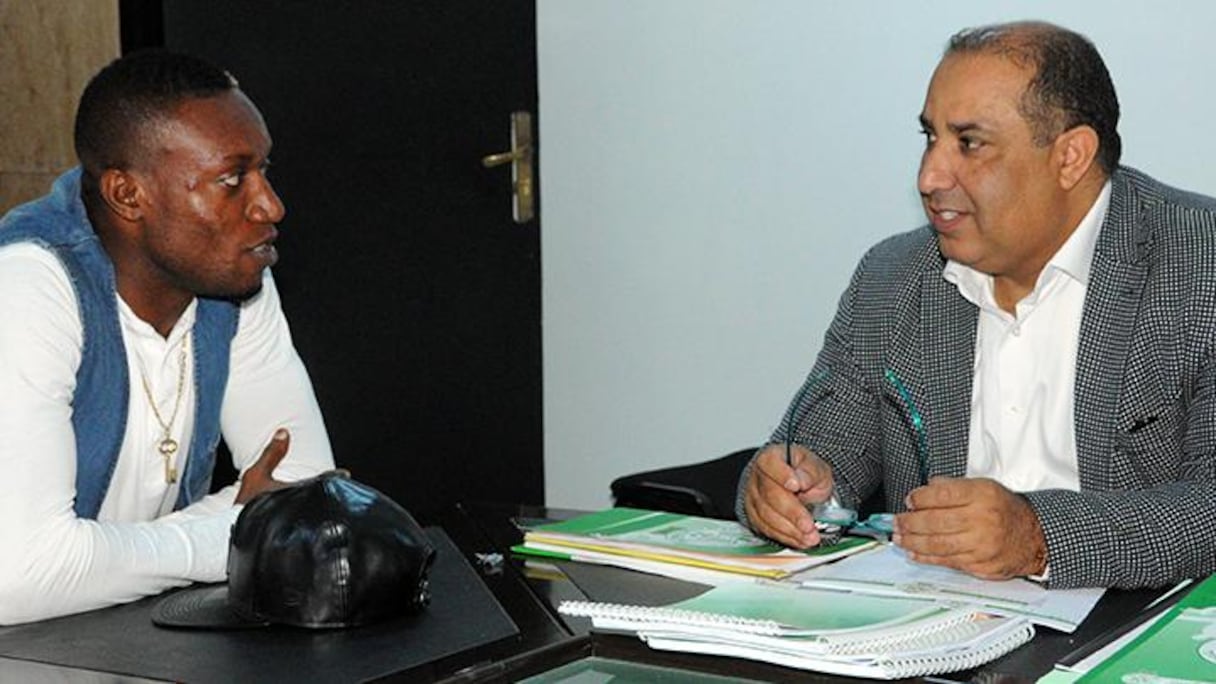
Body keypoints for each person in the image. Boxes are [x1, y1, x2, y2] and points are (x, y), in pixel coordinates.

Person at [738, 20, 1216, 590]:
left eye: (969, 143)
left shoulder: (1199, 263)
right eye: (930, 138)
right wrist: (786, 490)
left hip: (1139, 622)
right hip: (938, 623)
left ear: (1070, 156)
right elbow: (819, 451)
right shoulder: (893, 277)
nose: (929, 176)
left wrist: (1039, 536)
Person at [0, 51, 335, 624]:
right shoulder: (29, 286)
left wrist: (91, 558)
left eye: (263, 170)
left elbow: (308, 491)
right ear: (128, 195)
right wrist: (235, 531)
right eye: (231, 180)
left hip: (118, 636)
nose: (269, 206)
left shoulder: (232, 274)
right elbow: (19, 575)